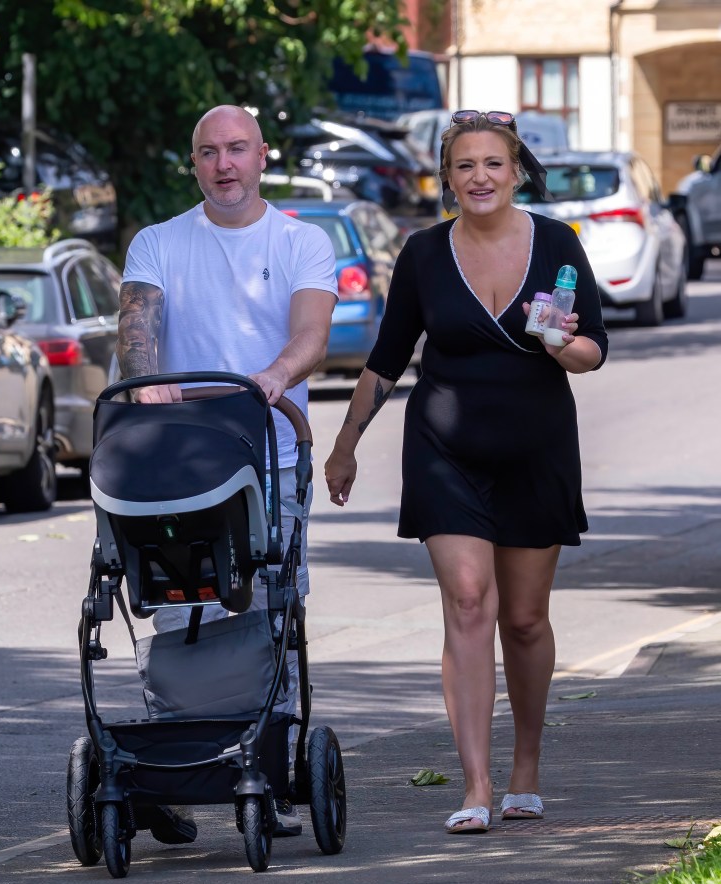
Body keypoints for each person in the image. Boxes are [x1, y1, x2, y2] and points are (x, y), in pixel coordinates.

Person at [324, 110, 608, 835]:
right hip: (442, 449)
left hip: (534, 449)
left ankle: (524, 770)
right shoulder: (422, 253)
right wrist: (346, 441)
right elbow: (387, 357)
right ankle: (475, 784)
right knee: (468, 598)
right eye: (463, 165)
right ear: (446, 178)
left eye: (492, 163)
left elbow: (593, 352)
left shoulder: (556, 245)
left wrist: (559, 346)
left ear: (515, 171)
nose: (478, 177)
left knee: (522, 617)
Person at [116, 104, 338, 842]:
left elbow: (310, 331)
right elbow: (138, 330)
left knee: (268, 615)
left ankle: (267, 771)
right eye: (208, 152)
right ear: (195, 164)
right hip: (179, 468)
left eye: (237, 149)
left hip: (268, 458)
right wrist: (145, 381)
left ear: (262, 155)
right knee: (180, 613)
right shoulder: (158, 242)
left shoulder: (301, 241)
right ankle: (171, 769)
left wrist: (274, 375)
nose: (224, 164)